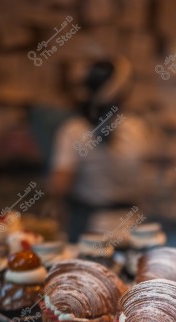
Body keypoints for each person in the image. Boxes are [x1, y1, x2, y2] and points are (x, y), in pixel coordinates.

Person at [49, 56, 148, 241]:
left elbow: (60, 185)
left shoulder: (73, 130)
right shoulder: (137, 127)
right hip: (134, 224)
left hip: (91, 226)